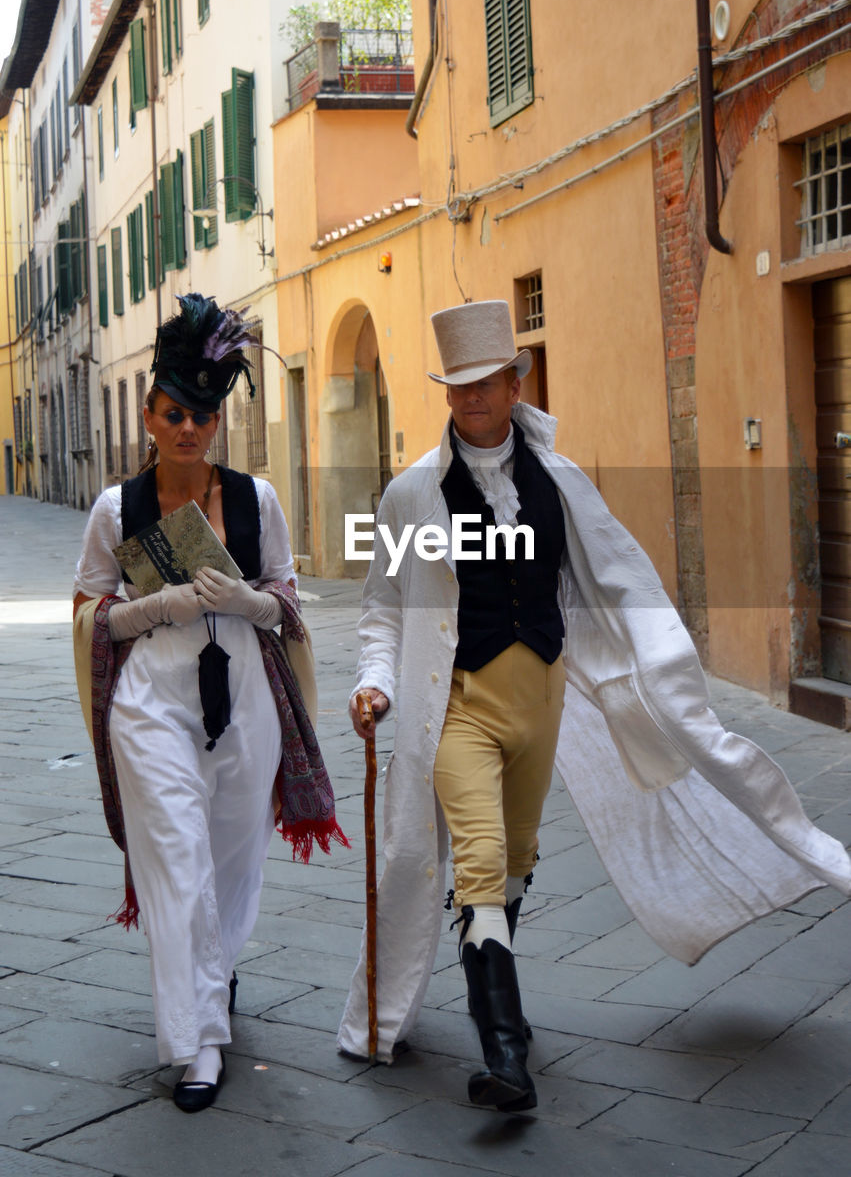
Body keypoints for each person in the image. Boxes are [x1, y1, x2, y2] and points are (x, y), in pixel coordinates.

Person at [337, 299, 851, 1112]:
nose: (471, 400)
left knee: (514, 861)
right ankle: (505, 1053)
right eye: (457, 387)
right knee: (475, 861)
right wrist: (377, 681)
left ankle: (493, 981)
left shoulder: (560, 483)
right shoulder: (410, 495)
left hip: (540, 700)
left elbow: (616, 578)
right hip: (457, 706)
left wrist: (662, 676)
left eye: (485, 383)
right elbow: (381, 609)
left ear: (515, 383)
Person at [73, 294, 346, 1112]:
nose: (190, 427)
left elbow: (288, 601)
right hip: (152, 702)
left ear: (218, 421)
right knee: (179, 861)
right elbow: (88, 617)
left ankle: (212, 975)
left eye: (205, 414)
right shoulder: (115, 510)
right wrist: (155, 608)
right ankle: (196, 1045)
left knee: (230, 864)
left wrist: (254, 603)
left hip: (247, 706)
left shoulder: (257, 501)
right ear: (150, 418)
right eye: (174, 413)